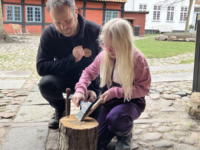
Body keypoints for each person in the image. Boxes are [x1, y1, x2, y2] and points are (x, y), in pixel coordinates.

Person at [72, 18, 151, 150]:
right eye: (105, 46)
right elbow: (88, 73)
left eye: (113, 47)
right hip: (109, 105)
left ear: (124, 42)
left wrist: (115, 92)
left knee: (117, 118)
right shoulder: (104, 56)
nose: (108, 50)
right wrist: (80, 89)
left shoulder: (137, 59)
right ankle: (115, 126)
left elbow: (143, 88)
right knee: (96, 143)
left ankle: (124, 133)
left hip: (131, 103)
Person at [36, 0, 102, 129]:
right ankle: (60, 109)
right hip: (66, 79)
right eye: (57, 22)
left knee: (94, 124)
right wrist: (72, 60)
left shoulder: (96, 31)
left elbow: (108, 66)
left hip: (91, 83)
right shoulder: (49, 34)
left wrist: (92, 87)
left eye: (67, 20)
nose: (63, 27)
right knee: (45, 83)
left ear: (76, 12)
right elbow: (41, 67)